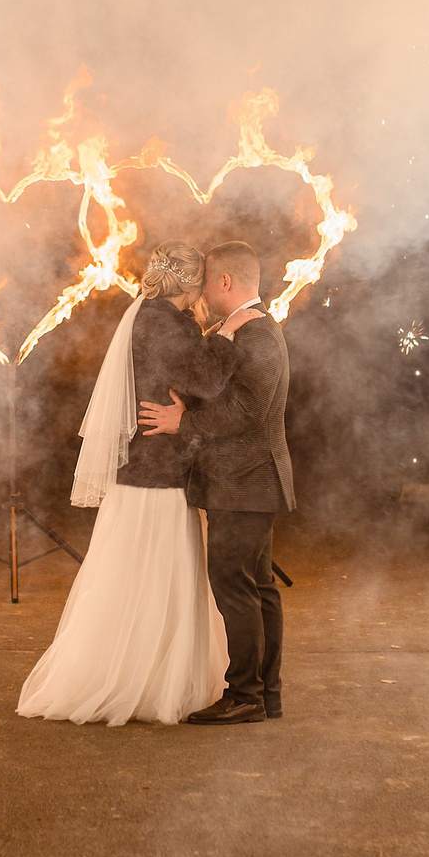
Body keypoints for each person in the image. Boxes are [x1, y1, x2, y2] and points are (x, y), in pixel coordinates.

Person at [15, 242, 262, 725]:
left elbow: (186, 375)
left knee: (145, 576)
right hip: (158, 474)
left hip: (153, 470)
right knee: (157, 575)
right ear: (192, 285)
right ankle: (146, 683)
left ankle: (146, 674)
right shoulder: (165, 323)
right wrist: (229, 333)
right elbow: (205, 382)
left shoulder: (152, 317)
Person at [139, 241, 294, 726]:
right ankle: (265, 694)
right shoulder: (243, 330)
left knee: (235, 585)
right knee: (258, 585)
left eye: (207, 282)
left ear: (225, 282)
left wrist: (181, 422)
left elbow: (246, 411)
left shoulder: (259, 335)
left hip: (246, 482)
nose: (202, 291)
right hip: (245, 482)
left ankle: (246, 693)